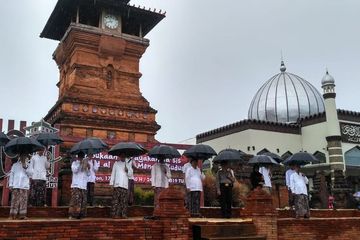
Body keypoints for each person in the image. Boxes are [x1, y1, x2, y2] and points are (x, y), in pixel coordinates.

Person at [9, 153, 33, 220]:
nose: (23, 157)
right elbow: (12, 175)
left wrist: (25, 167)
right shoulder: (15, 165)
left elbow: (30, 174)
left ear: (26, 157)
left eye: (24, 156)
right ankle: (12, 215)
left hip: (24, 186)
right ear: (19, 157)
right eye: (22, 156)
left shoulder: (28, 165)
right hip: (16, 185)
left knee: (23, 201)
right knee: (14, 201)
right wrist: (11, 184)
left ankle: (22, 215)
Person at [109, 153, 133, 218]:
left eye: (124, 156)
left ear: (125, 157)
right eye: (121, 156)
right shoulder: (116, 163)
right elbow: (113, 174)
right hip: (117, 185)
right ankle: (114, 214)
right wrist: (111, 183)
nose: (122, 157)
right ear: (119, 156)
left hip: (124, 185)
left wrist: (127, 170)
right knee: (116, 201)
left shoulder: (128, 165)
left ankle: (123, 214)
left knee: (124, 201)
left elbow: (131, 175)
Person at [69, 152, 90, 219]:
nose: (81, 158)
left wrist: (88, 168)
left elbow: (88, 174)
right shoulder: (74, 163)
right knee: (75, 200)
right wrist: (80, 164)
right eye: (80, 157)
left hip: (83, 185)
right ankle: (73, 215)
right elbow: (74, 170)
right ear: (78, 157)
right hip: (76, 185)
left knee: (83, 201)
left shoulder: (85, 164)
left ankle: (81, 215)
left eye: (82, 157)